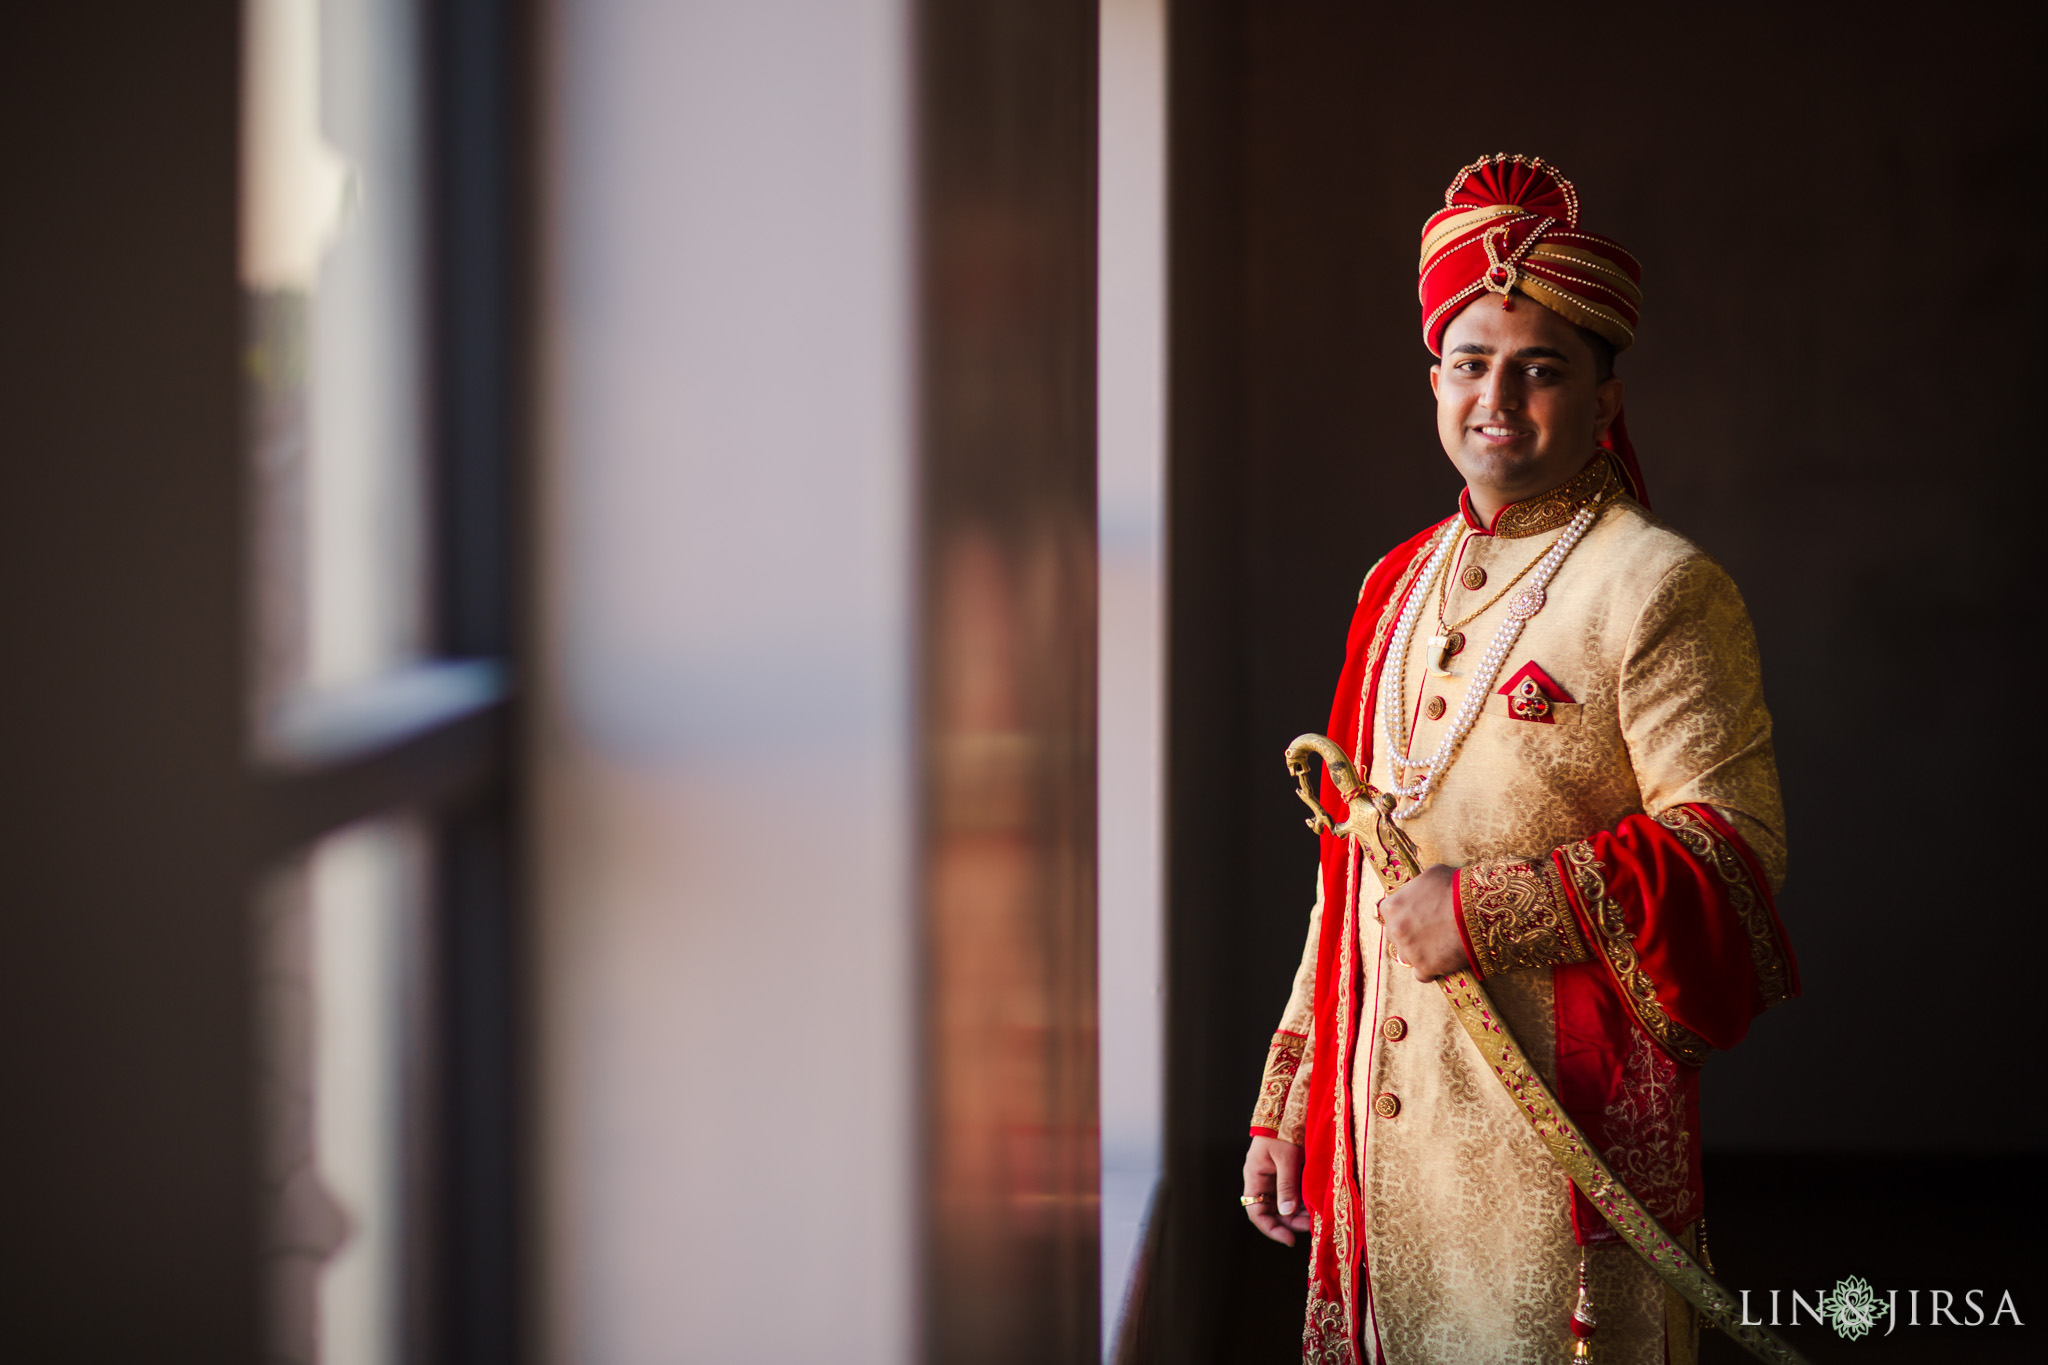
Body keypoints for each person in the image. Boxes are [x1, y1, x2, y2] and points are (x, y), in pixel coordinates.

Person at [1239, 154, 1800, 1364]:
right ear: (1432, 382)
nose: (1497, 397)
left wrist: (1490, 911)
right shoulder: (1391, 586)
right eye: (1470, 363)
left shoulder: (1657, 589)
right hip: (1375, 1147)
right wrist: (1288, 1095)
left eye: (1540, 367)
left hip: (1559, 1156)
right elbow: (1349, 875)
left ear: (1604, 398)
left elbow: (1732, 861)